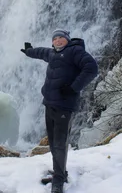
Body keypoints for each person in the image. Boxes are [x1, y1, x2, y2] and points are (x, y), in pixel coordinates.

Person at [21, 29, 98, 193]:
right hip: (49, 103)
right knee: (53, 141)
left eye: (61, 38)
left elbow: (91, 68)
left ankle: (58, 181)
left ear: (67, 40)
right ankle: (60, 172)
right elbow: (41, 52)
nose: (57, 41)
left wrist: (73, 88)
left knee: (59, 143)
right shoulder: (53, 54)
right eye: (55, 38)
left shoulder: (74, 51)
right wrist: (29, 51)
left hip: (64, 105)